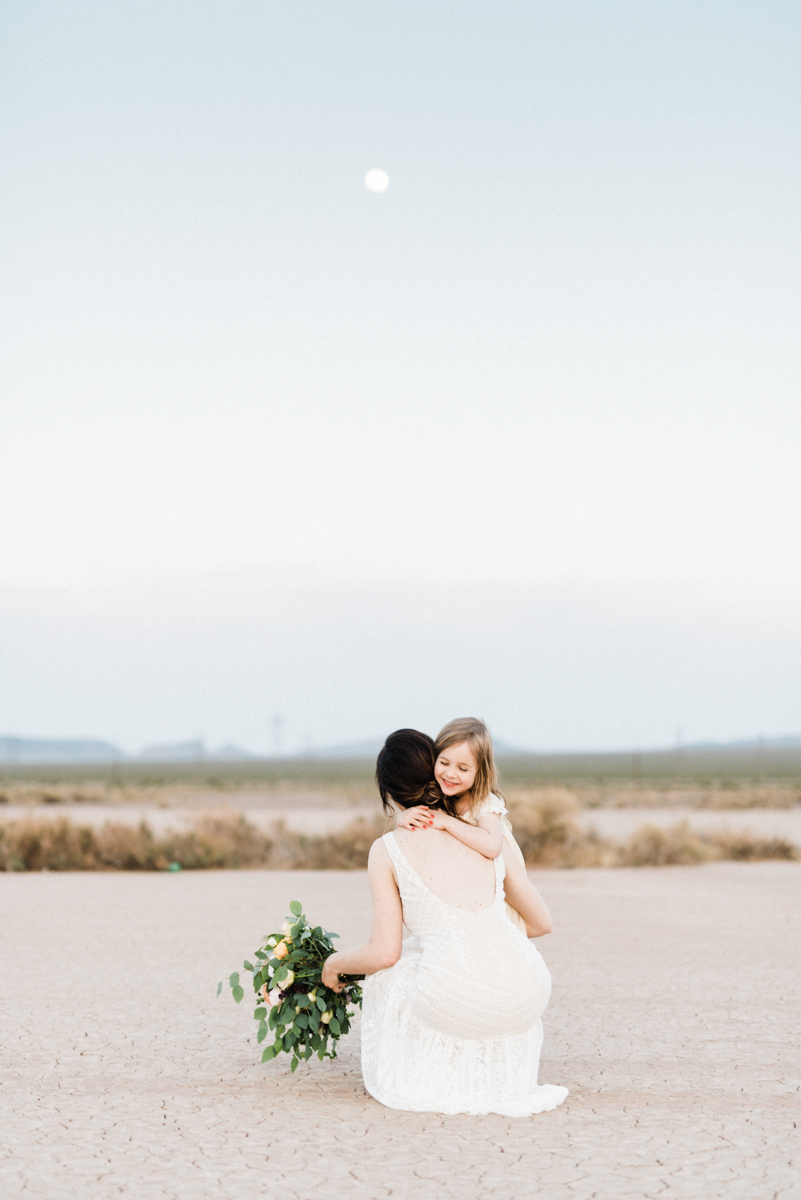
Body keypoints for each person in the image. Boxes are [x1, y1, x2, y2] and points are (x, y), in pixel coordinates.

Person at [321, 728, 568, 1117]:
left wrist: (333, 965)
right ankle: (492, 1069)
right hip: (528, 991)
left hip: (462, 1003)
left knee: (398, 968)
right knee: (440, 953)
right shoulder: (486, 833)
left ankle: (429, 1075)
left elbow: (383, 953)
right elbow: (540, 923)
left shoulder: (386, 849)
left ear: (389, 796)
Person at [395, 717, 529, 932]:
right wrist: (404, 816)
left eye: (463, 769)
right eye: (444, 763)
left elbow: (492, 846)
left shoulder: (485, 803)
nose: (450, 774)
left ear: (480, 772)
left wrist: (447, 822)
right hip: (472, 889)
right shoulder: (443, 797)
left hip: (503, 888)